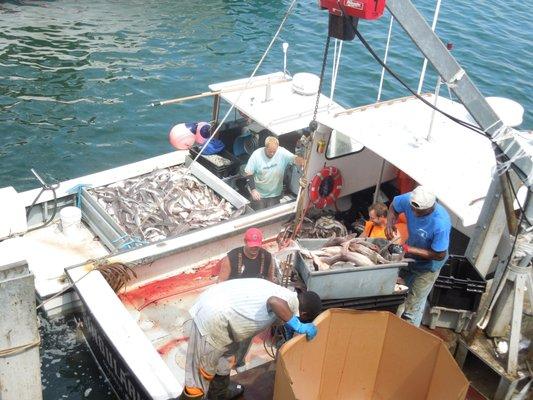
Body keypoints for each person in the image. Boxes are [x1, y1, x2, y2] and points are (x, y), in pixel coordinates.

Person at [178, 278, 322, 400]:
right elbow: (274, 302)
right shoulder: (289, 302)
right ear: (304, 313)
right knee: (201, 374)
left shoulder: (287, 294)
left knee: (226, 358)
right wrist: (298, 325)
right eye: (305, 320)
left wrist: (290, 327)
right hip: (214, 317)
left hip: (225, 314)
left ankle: (219, 394)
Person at [385, 185, 451, 327]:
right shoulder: (409, 199)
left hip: (428, 267)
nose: (414, 213)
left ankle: (409, 335)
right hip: (409, 257)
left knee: (413, 306)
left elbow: (439, 255)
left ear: (431, 207)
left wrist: (409, 249)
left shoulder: (441, 223)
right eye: (412, 208)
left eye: (419, 211)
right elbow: (394, 207)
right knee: (397, 294)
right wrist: (390, 223)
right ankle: (392, 326)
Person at [217, 227, 275, 372]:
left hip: (253, 305)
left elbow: (270, 281)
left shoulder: (267, 258)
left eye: (257, 246)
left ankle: (240, 361)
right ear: (245, 242)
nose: (254, 249)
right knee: (230, 337)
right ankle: (225, 360)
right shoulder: (231, 257)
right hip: (234, 304)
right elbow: (220, 284)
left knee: (247, 336)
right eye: (251, 246)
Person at [244, 136, 303, 210]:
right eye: (269, 151)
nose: (272, 153)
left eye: (274, 151)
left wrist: (304, 162)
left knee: (273, 215)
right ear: (265, 147)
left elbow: (294, 159)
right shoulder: (256, 155)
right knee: (259, 215)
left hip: (275, 194)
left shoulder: (282, 152)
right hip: (260, 194)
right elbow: (248, 173)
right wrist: (253, 190)